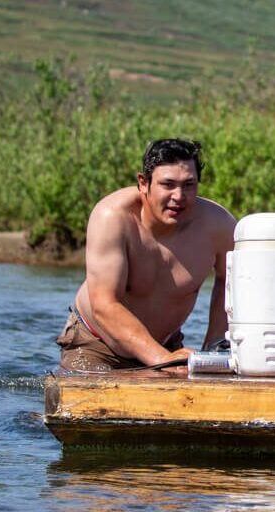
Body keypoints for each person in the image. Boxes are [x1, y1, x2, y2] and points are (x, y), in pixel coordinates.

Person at [56, 138, 236, 371]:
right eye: (168, 184)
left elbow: (232, 282)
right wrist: (162, 359)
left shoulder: (218, 225)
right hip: (97, 346)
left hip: (166, 345)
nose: (179, 196)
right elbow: (104, 304)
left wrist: (214, 349)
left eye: (189, 185)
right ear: (143, 183)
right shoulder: (112, 217)